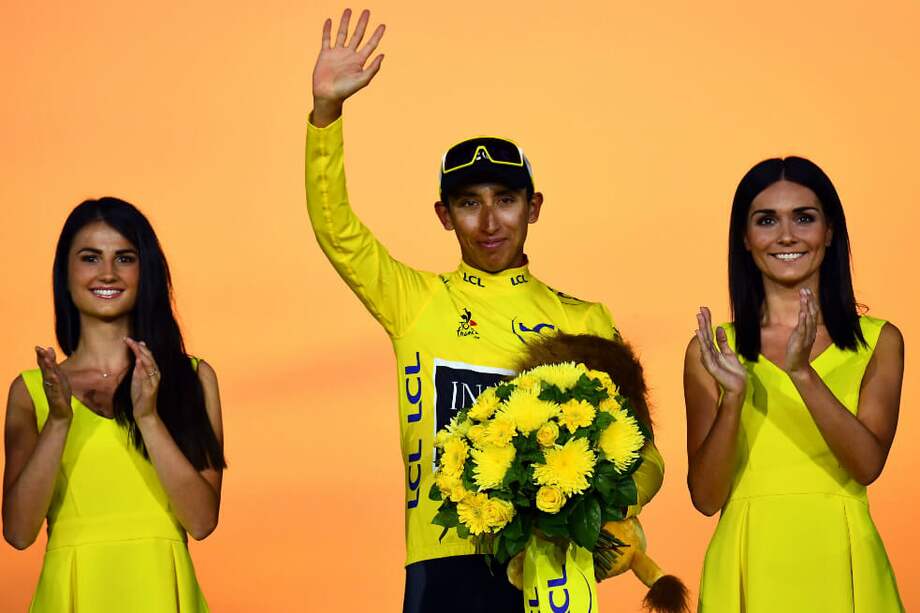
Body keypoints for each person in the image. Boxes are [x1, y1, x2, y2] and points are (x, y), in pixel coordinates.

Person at [306, 9, 664, 613]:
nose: (490, 221)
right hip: (442, 562)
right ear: (444, 215)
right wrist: (325, 115)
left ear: (535, 207)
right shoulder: (415, 302)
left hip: (551, 564)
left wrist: (605, 502)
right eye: (469, 203)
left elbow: (644, 454)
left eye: (506, 199)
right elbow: (336, 229)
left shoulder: (585, 318)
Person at [683, 157, 904, 611]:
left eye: (804, 217)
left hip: (844, 559)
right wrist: (734, 399)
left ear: (830, 231)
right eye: (767, 220)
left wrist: (801, 372)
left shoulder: (879, 340)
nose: (787, 236)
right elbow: (706, 499)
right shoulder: (712, 349)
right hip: (746, 558)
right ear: (745, 239)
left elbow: (866, 466)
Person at [2, 197, 225, 612]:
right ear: (65, 274)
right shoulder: (30, 392)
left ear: (146, 272)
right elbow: (17, 532)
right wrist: (59, 422)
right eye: (90, 258)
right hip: (72, 593)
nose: (107, 273)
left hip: (161, 588)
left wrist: (148, 417)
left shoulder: (192, 378)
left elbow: (202, 520)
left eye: (124, 258)